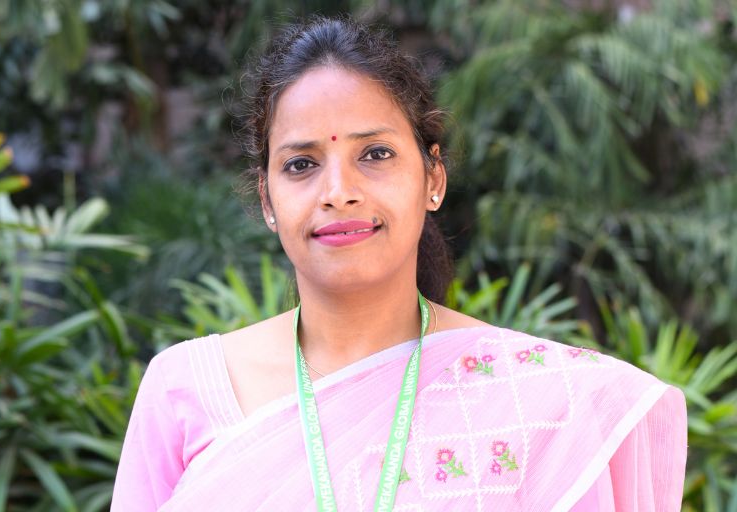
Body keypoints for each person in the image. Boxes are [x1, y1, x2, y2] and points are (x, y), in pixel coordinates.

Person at [111, 16, 687, 511]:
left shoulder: (546, 406)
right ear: (267, 200)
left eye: (375, 154)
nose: (339, 192)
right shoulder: (184, 388)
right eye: (301, 164)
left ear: (433, 178)